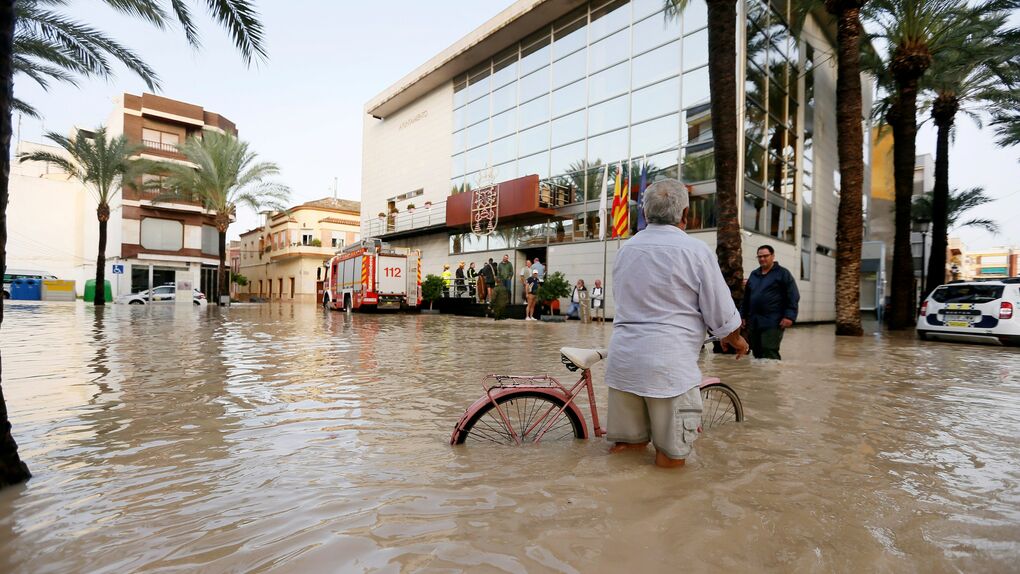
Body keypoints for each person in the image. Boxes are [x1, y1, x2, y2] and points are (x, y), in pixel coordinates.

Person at [605, 179, 748, 469]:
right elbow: (721, 312)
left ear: (645, 214)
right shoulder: (695, 251)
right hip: (668, 369)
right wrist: (736, 339)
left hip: (623, 362)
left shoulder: (625, 250)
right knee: (670, 458)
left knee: (628, 450)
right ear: (685, 214)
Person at [741, 244, 800, 360]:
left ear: (773, 256)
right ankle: (759, 377)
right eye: (759, 256)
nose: (762, 259)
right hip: (754, 321)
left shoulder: (783, 273)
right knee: (756, 352)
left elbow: (793, 295)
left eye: (765, 256)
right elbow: (747, 298)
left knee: (769, 350)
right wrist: (742, 315)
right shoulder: (754, 274)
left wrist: (789, 316)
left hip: (774, 321)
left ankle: (772, 377)